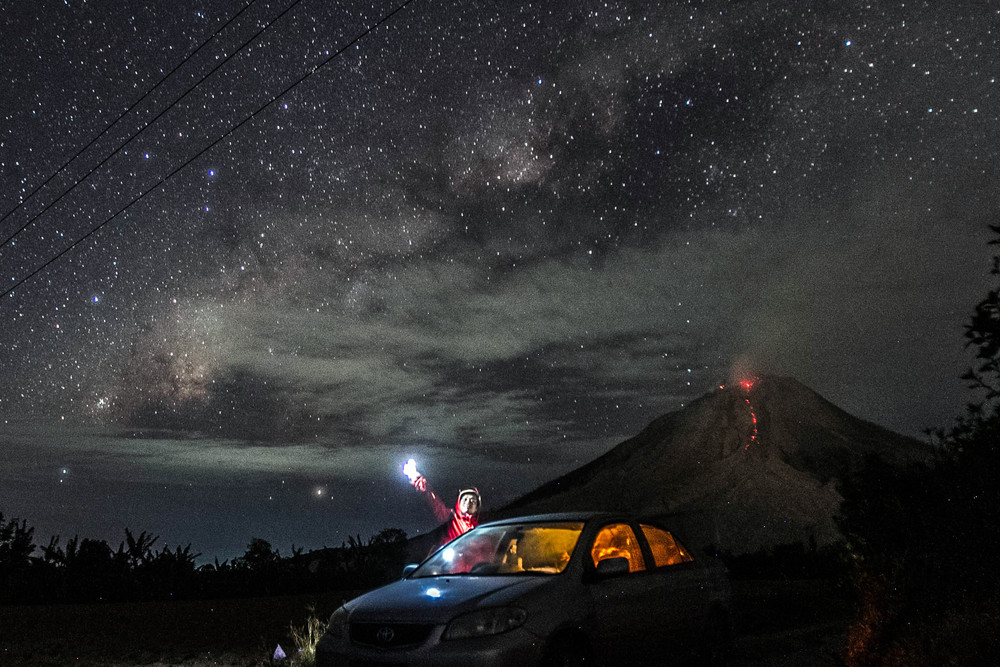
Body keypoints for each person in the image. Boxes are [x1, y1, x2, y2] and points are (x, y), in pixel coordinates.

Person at [407, 466, 481, 547]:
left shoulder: (479, 528)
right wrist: (419, 481)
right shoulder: (450, 517)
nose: (468, 503)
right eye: (465, 499)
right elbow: (434, 502)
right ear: (459, 502)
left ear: (476, 507)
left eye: (472, 501)